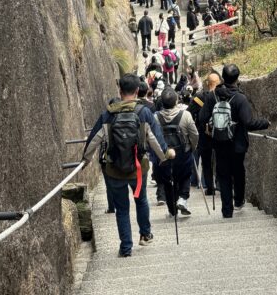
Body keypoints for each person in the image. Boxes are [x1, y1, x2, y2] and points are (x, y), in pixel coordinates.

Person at [83, 73, 176, 256]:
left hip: (114, 169)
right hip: (138, 169)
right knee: (141, 200)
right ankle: (145, 234)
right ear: (136, 91)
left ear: (119, 90)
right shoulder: (144, 113)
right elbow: (156, 140)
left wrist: (85, 160)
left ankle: (126, 247)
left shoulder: (108, 115)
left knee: (121, 208)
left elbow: (93, 140)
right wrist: (166, 155)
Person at [199, 63, 269, 219]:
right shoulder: (240, 98)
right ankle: (238, 200)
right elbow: (249, 122)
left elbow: (202, 117)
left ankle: (227, 210)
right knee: (238, 171)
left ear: (223, 77)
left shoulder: (212, 96)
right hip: (237, 145)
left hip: (219, 143)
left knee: (223, 175)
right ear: (237, 78)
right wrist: (265, 123)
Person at [155, 87, 199, 217]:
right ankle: (183, 198)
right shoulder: (185, 115)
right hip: (182, 153)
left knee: (168, 181)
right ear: (176, 101)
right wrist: (192, 147)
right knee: (185, 175)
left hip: (164, 154)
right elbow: (194, 135)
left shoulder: (155, 118)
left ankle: (172, 210)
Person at [190, 71, 220, 196]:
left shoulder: (198, 98)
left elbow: (189, 115)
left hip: (204, 135)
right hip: (221, 134)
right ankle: (220, 184)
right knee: (221, 160)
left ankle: (209, 187)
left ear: (207, 83)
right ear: (218, 83)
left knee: (206, 162)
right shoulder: (223, 96)